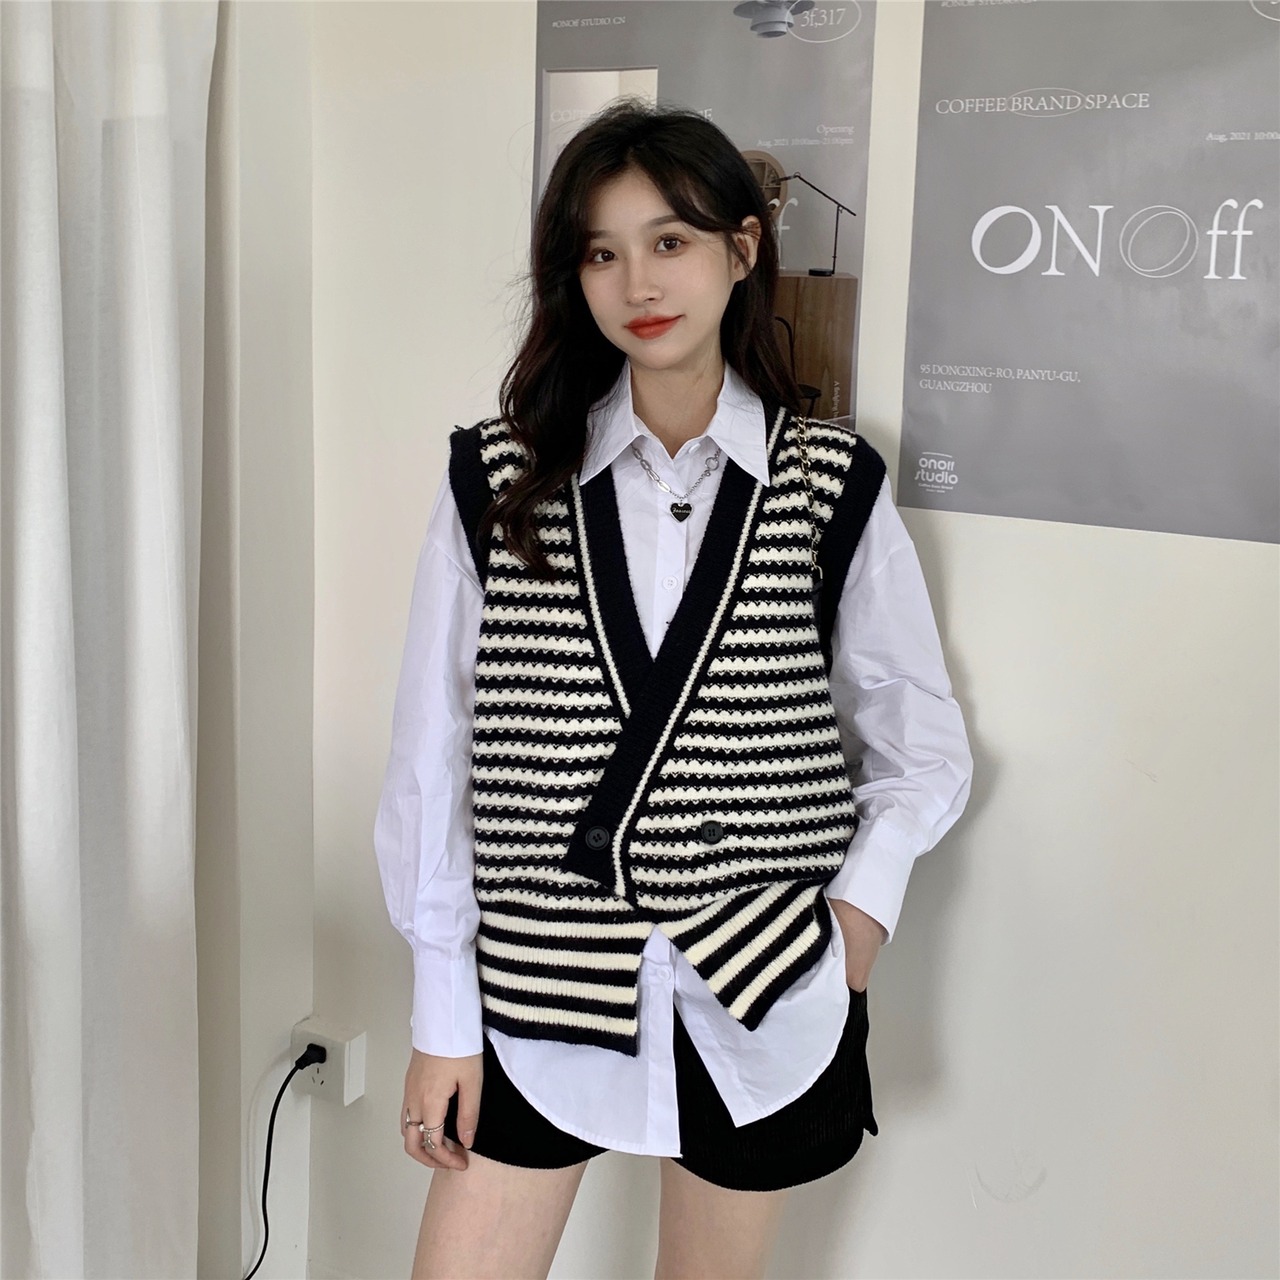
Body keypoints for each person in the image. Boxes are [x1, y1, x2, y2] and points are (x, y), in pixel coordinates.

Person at [373, 98, 973, 1280]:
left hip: (760, 981)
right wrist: (441, 1016)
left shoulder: (827, 482)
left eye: (669, 240)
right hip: (537, 978)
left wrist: (852, 923)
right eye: (600, 252)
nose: (637, 282)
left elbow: (918, 738)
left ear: (741, 249)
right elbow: (430, 753)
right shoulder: (499, 478)